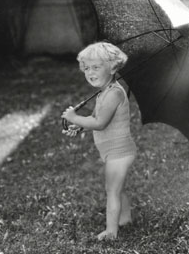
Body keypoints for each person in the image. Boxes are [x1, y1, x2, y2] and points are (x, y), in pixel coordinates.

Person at [62, 42, 137, 240]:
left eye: (96, 67)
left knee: (112, 190)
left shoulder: (114, 93)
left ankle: (111, 230)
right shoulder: (103, 92)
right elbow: (94, 118)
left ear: (112, 67)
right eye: (86, 68)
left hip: (119, 152)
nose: (90, 72)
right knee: (116, 187)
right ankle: (125, 217)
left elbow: (100, 122)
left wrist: (73, 117)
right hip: (112, 151)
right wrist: (79, 126)